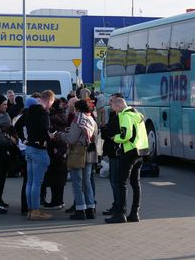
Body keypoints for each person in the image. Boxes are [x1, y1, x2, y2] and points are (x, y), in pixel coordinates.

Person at [105, 96, 149, 224]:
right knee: (136, 183)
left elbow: (126, 135)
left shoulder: (124, 116)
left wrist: (115, 138)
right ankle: (135, 213)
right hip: (141, 152)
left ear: (118, 105)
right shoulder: (137, 114)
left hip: (129, 152)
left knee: (121, 183)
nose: (111, 108)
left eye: (111, 105)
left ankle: (120, 213)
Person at [57, 98, 99, 220]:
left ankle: (80, 209)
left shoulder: (78, 119)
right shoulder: (91, 119)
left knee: (77, 182)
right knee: (87, 182)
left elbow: (71, 139)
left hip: (78, 152)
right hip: (90, 153)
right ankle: (91, 208)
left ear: (78, 109)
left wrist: (59, 135)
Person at [23, 90, 55, 221]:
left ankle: (30, 209)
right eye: (52, 103)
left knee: (30, 182)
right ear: (48, 100)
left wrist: (27, 139)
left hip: (29, 148)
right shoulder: (43, 113)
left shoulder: (29, 110)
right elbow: (44, 131)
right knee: (37, 182)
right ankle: (35, 210)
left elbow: (21, 126)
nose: (51, 106)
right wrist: (50, 137)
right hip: (39, 150)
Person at [41, 98, 69, 210]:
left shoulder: (51, 118)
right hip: (63, 149)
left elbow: (50, 135)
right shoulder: (64, 116)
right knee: (61, 177)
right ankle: (60, 201)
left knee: (53, 177)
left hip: (54, 150)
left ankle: (55, 201)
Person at [100, 93, 122, 217]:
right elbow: (106, 133)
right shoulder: (114, 115)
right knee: (113, 180)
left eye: (112, 101)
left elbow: (111, 132)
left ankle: (118, 206)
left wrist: (105, 129)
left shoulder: (119, 116)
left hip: (116, 152)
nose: (109, 104)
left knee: (115, 181)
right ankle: (117, 204)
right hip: (111, 152)